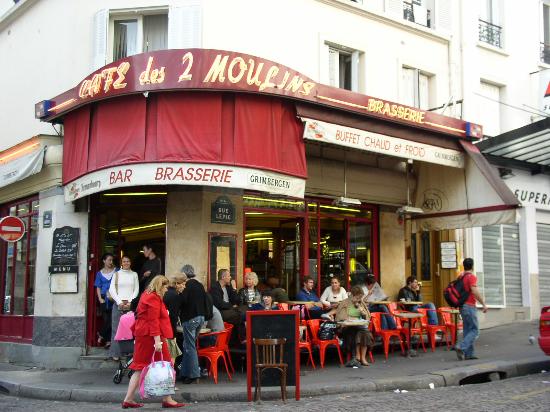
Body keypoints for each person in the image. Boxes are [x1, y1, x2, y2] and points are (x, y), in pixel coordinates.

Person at [122, 275, 185, 409]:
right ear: (159, 286)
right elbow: (153, 321)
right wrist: (157, 341)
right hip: (150, 337)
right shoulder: (153, 298)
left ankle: (128, 399)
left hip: (145, 335)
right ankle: (167, 399)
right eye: (165, 287)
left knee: (140, 367)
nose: (166, 290)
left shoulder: (147, 295)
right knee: (167, 364)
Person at [325, 286, 373, 367]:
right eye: (358, 297)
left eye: (361, 297)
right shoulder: (344, 303)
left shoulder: (361, 303)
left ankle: (362, 357)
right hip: (346, 327)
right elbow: (338, 318)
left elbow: (367, 317)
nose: (359, 299)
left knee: (365, 332)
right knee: (356, 331)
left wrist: (363, 314)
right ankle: (357, 356)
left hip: (359, 326)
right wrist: (348, 319)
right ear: (352, 295)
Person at [179, 264, 208, 384]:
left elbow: (183, 301)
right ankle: (185, 373)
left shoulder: (187, 285)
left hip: (190, 318)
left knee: (189, 347)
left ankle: (194, 374)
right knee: (188, 345)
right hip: (201, 318)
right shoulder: (200, 285)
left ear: (184, 274)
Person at [456, 258, 488, 361]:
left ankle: (469, 354)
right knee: (475, 330)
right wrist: (483, 303)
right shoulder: (471, 277)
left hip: (462, 306)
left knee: (467, 330)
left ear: (464, 266)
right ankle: (461, 346)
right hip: (469, 305)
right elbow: (474, 291)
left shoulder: (460, 276)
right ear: (472, 266)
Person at [108, 256, 139, 361]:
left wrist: (130, 302)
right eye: (124, 261)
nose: (126, 263)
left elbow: (136, 289)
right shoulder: (116, 274)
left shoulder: (134, 274)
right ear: (121, 263)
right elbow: (111, 289)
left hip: (130, 305)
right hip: (118, 304)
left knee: (131, 329)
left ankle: (130, 352)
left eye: (128, 261)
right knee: (116, 329)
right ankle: (115, 353)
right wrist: (119, 302)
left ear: (130, 262)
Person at [94, 252, 116, 348]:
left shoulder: (116, 271)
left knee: (112, 319)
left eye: (112, 260)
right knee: (106, 319)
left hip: (114, 297)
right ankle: (108, 341)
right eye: (109, 260)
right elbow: (98, 287)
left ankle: (101, 333)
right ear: (104, 261)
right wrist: (99, 298)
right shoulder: (99, 273)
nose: (111, 262)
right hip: (103, 297)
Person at [163, 274, 186, 364]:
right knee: (172, 355)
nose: (184, 287)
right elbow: (173, 317)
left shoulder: (168, 292)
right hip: (169, 329)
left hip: (163, 327)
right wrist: (173, 335)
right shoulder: (175, 296)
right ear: (177, 284)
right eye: (183, 284)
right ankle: (171, 375)